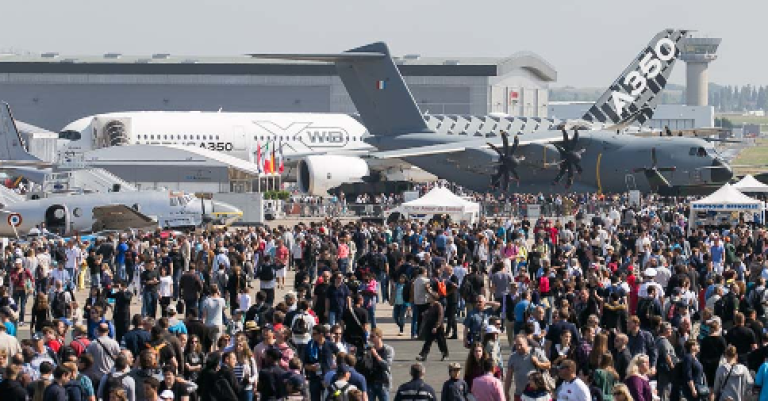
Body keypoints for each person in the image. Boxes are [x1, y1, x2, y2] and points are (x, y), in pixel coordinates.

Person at [505, 334, 550, 401]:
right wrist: (506, 392)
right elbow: (509, 376)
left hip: (535, 395)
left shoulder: (535, 352)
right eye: (516, 345)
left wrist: (538, 363)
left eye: (520, 345)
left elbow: (548, 365)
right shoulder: (513, 357)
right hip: (519, 393)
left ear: (526, 343)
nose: (518, 347)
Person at [417, 291, 448, 361]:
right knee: (428, 341)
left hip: (437, 327)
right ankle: (423, 355)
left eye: (430, 297)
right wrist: (424, 313)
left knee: (441, 341)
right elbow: (429, 313)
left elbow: (440, 316)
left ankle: (445, 354)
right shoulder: (431, 305)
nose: (428, 298)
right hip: (430, 326)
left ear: (434, 298)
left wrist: (436, 326)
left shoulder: (438, 305)